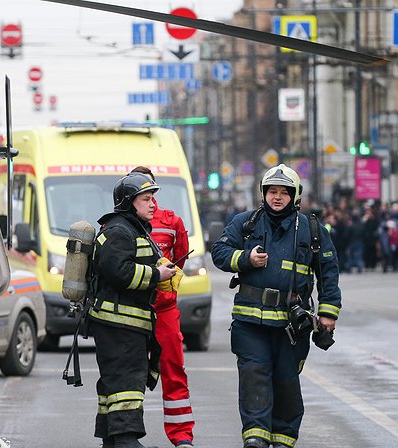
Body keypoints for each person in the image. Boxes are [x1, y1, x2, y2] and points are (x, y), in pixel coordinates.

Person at [211, 164, 342, 448]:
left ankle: (283, 439)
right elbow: (219, 252)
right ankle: (256, 437)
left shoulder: (312, 230)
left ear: (295, 196)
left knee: (286, 381)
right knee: (254, 377)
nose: (278, 197)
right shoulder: (246, 223)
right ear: (264, 193)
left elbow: (328, 273)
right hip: (250, 323)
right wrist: (245, 258)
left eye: (284, 192)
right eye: (272, 191)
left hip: (290, 325)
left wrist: (327, 313)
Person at [89, 172, 177, 448]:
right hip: (118, 324)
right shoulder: (119, 231)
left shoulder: (132, 229)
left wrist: (159, 269)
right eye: (146, 199)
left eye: (153, 198)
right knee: (126, 382)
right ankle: (126, 439)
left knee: (114, 383)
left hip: (125, 323)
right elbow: (119, 271)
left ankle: (112, 439)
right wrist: (156, 275)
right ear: (129, 202)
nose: (153, 204)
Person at [130, 167, 195, 448]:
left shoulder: (171, 222)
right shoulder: (120, 224)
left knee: (173, 371)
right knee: (128, 375)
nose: (148, 198)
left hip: (164, 312)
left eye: (150, 191)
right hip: (132, 311)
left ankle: (182, 436)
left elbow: (179, 259)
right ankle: (126, 434)